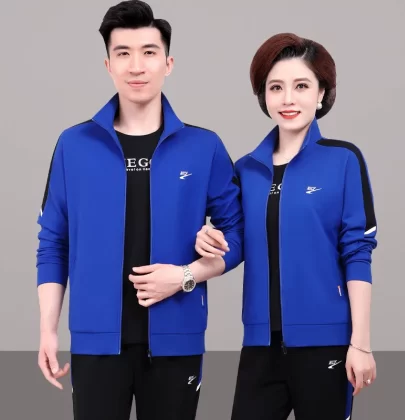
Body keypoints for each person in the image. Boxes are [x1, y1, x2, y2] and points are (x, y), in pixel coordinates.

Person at [35, 1, 243, 419]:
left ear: (168, 63)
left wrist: (185, 275)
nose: (136, 66)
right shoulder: (74, 146)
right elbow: (53, 242)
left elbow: (238, 237)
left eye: (149, 52)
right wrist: (47, 330)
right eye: (123, 53)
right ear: (108, 65)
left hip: (177, 340)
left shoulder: (204, 147)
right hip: (95, 343)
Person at [195, 32, 377, 420]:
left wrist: (360, 344)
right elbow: (235, 241)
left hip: (327, 344)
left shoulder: (343, 160)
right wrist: (208, 238)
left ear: (322, 93)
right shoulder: (246, 169)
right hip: (260, 346)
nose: (288, 99)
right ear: (264, 96)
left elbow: (358, 253)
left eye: (301, 86)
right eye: (276, 87)